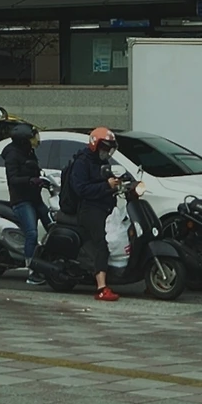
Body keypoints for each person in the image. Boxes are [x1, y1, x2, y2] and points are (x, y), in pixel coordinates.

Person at [62, 127, 121, 299]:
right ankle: (101, 287)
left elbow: (109, 177)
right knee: (103, 241)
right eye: (104, 148)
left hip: (105, 207)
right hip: (89, 209)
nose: (106, 152)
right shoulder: (82, 162)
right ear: (95, 145)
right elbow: (81, 189)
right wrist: (105, 185)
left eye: (109, 149)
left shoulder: (102, 162)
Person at [0, 122, 52, 282]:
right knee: (32, 233)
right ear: (25, 140)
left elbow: (34, 169)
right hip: (21, 200)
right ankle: (31, 270)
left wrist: (42, 179)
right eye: (33, 137)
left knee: (52, 226)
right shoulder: (12, 155)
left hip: (35, 198)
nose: (37, 139)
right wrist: (30, 180)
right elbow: (13, 179)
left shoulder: (29, 152)